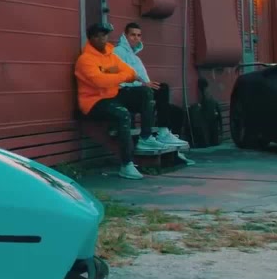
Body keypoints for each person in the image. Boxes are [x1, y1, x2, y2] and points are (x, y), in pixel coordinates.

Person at [76, 22, 168, 180]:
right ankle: (127, 164)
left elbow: (130, 72)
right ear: (91, 39)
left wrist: (114, 74)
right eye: (98, 36)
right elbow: (100, 81)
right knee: (123, 114)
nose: (102, 39)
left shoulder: (111, 55)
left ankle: (145, 138)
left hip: (112, 95)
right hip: (93, 102)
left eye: (105, 35)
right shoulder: (85, 59)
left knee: (145, 92)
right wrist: (120, 76)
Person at [115, 22, 192, 161]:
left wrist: (148, 85)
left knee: (163, 88)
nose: (136, 38)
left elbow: (144, 79)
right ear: (125, 36)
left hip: (139, 90)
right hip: (123, 92)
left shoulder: (135, 57)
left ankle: (163, 131)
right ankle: (145, 137)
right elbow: (120, 78)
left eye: (139, 35)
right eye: (132, 35)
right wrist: (143, 84)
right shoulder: (118, 52)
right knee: (147, 92)